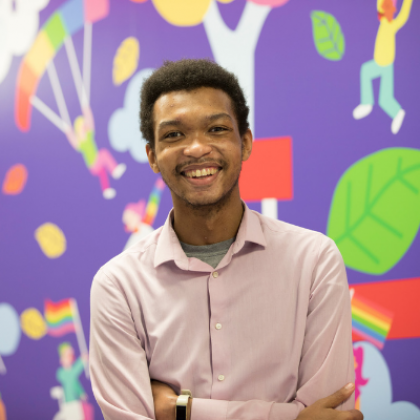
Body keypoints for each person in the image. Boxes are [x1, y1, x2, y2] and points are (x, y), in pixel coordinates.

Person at [90, 59, 363, 420]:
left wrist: (181, 410)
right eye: (174, 135)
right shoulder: (118, 286)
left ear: (245, 143)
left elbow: (328, 415)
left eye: (216, 129)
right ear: (153, 157)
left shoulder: (313, 261)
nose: (196, 148)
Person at [353, 0, 413, 134]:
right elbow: (380, 5)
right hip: (379, 62)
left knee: (384, 99)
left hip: (386, 65)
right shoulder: (384, 22)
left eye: (388, 8)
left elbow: (403, 15)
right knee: (366, 72)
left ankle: (397, 113)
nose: (384, 10)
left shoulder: (392, 25)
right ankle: (367, 103)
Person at [65, 106, 126, 199]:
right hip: (93, 163)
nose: (85, 128)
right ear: (78, 131)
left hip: (95, 164)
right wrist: (68, 131)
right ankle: (114, 170)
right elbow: (74, 141)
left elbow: (90, 123)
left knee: (103, 173)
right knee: (104, 153)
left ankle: (106, 190)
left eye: (85, 126)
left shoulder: (89, 135)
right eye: (82, 127)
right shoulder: (81, 144)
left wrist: (87, 110)